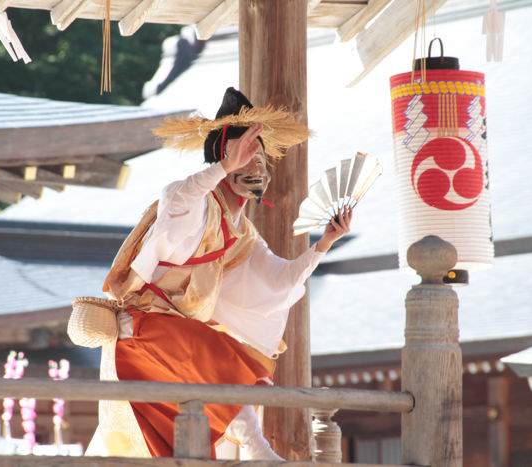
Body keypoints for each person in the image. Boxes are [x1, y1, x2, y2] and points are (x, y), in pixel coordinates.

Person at [83, 88, 352, 460]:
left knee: (232, 361)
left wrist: (324, 243)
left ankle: (254, 444)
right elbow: (175, 201)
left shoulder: (241, 230)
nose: (256, 166)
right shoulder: (200, 206)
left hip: (178, 339)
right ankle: (257, 445)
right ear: (223, 157)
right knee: (219, 355)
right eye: (246, 157)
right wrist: (223, 167)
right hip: (144, 329)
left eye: (259, 157)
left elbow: (279, 283)